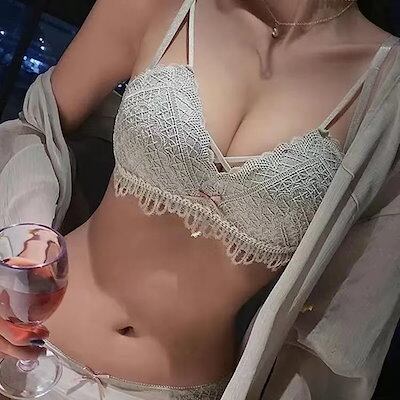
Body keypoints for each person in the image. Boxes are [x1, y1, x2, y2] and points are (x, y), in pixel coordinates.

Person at [0, 0, 399, 399]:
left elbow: (341, 329)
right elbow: (39, 125)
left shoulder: (389, 93)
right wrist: (18, 261)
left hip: (178, 390)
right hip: (28, 348)